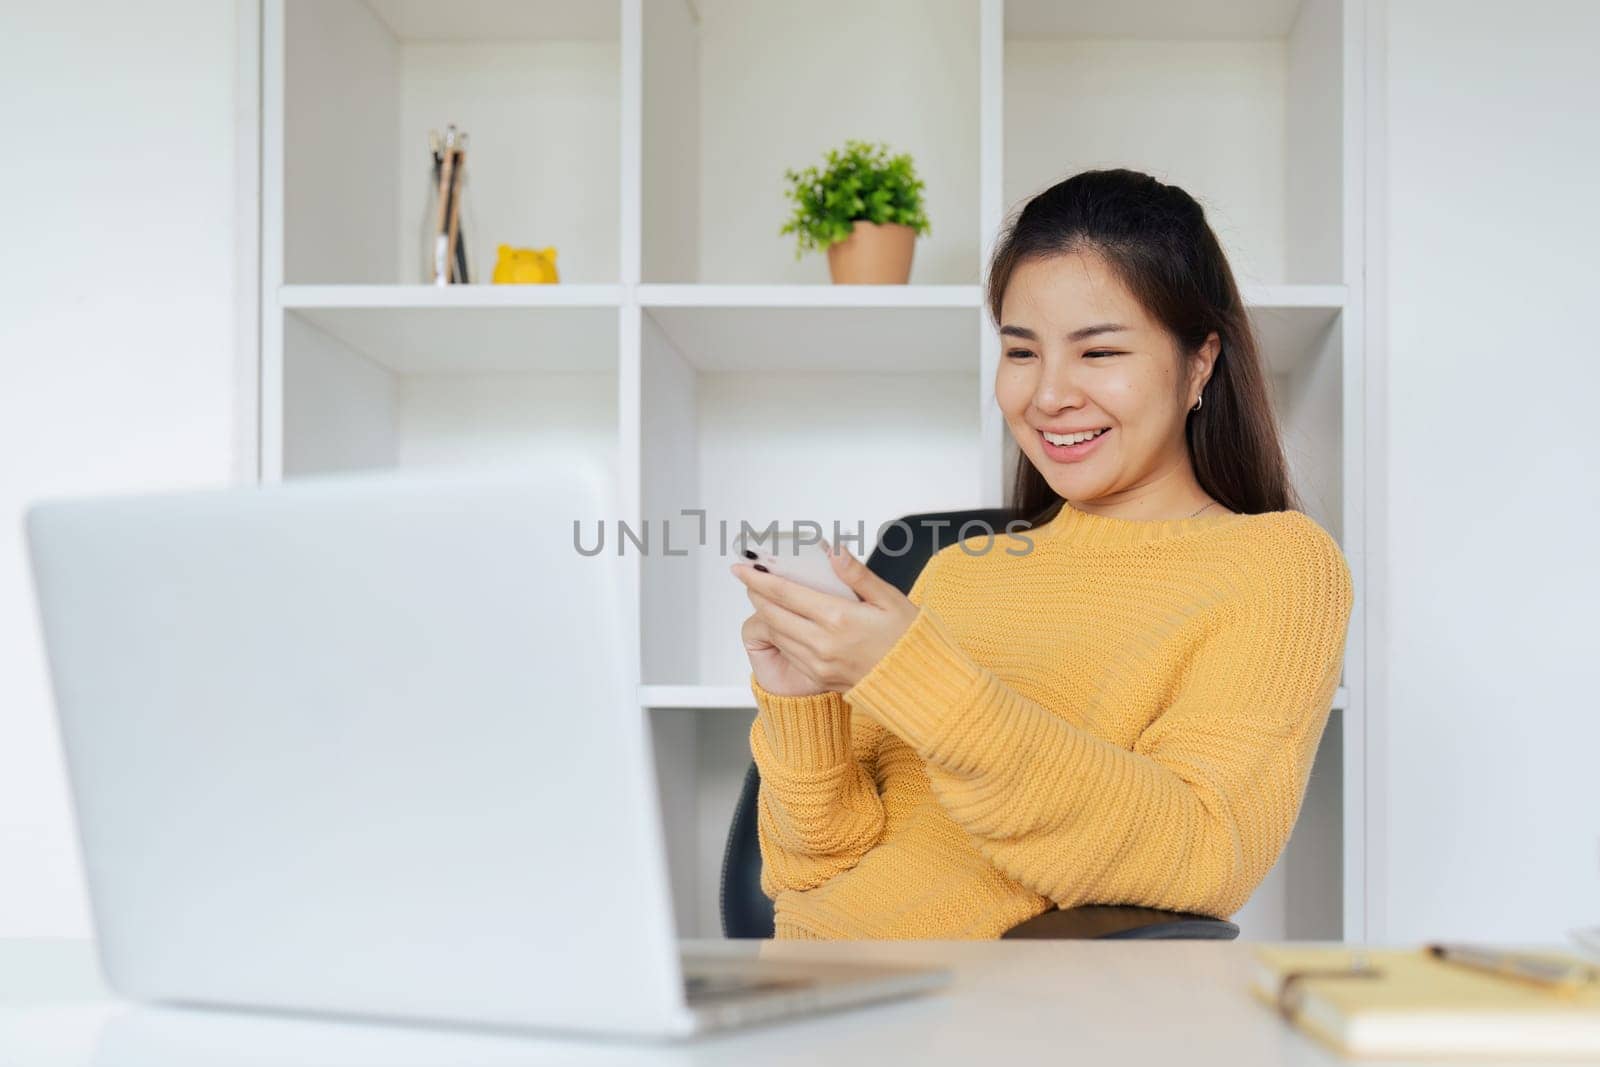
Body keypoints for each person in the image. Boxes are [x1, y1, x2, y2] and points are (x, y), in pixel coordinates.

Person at [730, 168, 1354, 940]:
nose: (1049, 394)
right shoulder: (960, 569)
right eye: (1022, 352)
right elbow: (810, 867)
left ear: (1199, 362)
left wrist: (926, 682)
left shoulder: (1277, 565)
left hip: (984, 1020)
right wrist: (802, 702)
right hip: (803, 992)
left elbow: (1204, 851)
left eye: (1098, 354)